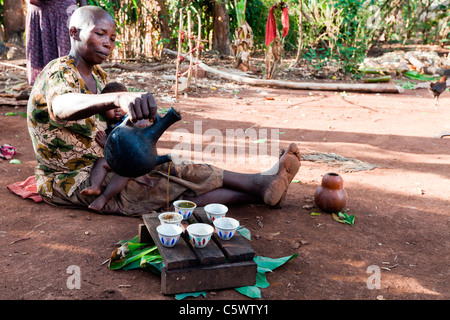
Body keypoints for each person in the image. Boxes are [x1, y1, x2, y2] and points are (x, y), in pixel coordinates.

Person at [27, 6, 302, 216]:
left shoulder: (97, 75)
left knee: (175, 168)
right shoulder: (59, 72)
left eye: (112, 37)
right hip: (72, 179)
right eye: (100, 34)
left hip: (106, 164)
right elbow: (62, 106)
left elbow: (109, 126)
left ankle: (260, 186)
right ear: (74, 33)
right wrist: (118, 98)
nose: (108, 42)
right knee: (161, 189)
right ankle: (259, 188)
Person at [80, 82, 130, 212]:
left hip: (129, 162)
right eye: (112, 107)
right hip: (115, 161)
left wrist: (106, 144)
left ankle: (104, 197)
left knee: (125, 172)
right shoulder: (105, 123)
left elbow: (126, 148)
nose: (117, 110)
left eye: (121, 106)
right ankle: (95, 186)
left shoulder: (128, 123)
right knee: (101, 162)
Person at [26, 0, 87, 85]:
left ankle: (71, 85)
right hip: (39, 10)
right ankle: (45, 88)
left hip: (63, 11)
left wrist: (85, 10)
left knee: (68, 57)